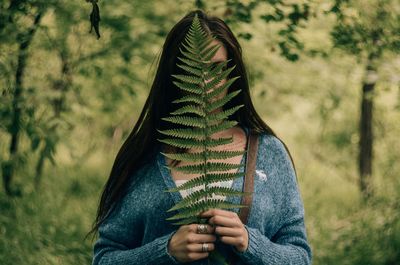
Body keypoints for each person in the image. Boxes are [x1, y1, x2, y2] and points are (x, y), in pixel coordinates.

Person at [88, 9, 312, 265]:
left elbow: (300, 257)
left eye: (217, 69)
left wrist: (250, 243)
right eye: (193, 70)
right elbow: (104, 258)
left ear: (232, 74)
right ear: (173, 73)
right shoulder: (144, 157)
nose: (206, 83)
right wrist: (165, 251)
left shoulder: (269, 153)